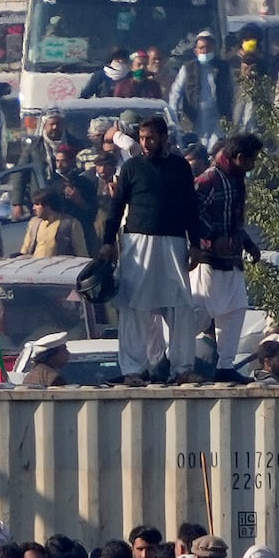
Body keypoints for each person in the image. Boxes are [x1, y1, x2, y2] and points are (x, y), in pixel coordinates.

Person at [101, 115, 201, 387]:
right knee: (133, 305)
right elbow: (116, 206)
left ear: (164, 138)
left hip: (173, 242)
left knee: (180, 306)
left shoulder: (179, 167)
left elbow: (191, 206)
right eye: (142, 138)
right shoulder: (132, 167)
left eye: (151, 138)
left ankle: (182, 369)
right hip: (137, 243)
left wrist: (195, 243)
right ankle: (133, 369)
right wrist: (108, 241)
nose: (145, 143)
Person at [193, 133, 263, 383]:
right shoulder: (210, 179)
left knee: (236, 308)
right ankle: (174, 359)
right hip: (209, 260)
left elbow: (233, 219)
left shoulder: (236, 179)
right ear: (240, 157)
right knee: (200, 313)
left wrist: (248, 243)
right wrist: (211, 237)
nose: (253, 165)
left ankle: (224, 365)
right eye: (252, 160)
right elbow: (191, 212)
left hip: (231, 260)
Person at [168, 32, 232, 144]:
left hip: (218, 117)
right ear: (196, 51)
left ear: (214, 49)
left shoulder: (224, 67)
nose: (205, 50)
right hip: (194, 118)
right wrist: (173, 116)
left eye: (208, 47)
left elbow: (234, 91)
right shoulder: (188, 68)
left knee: (216, 147)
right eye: (202, 48)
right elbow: (176, 92)